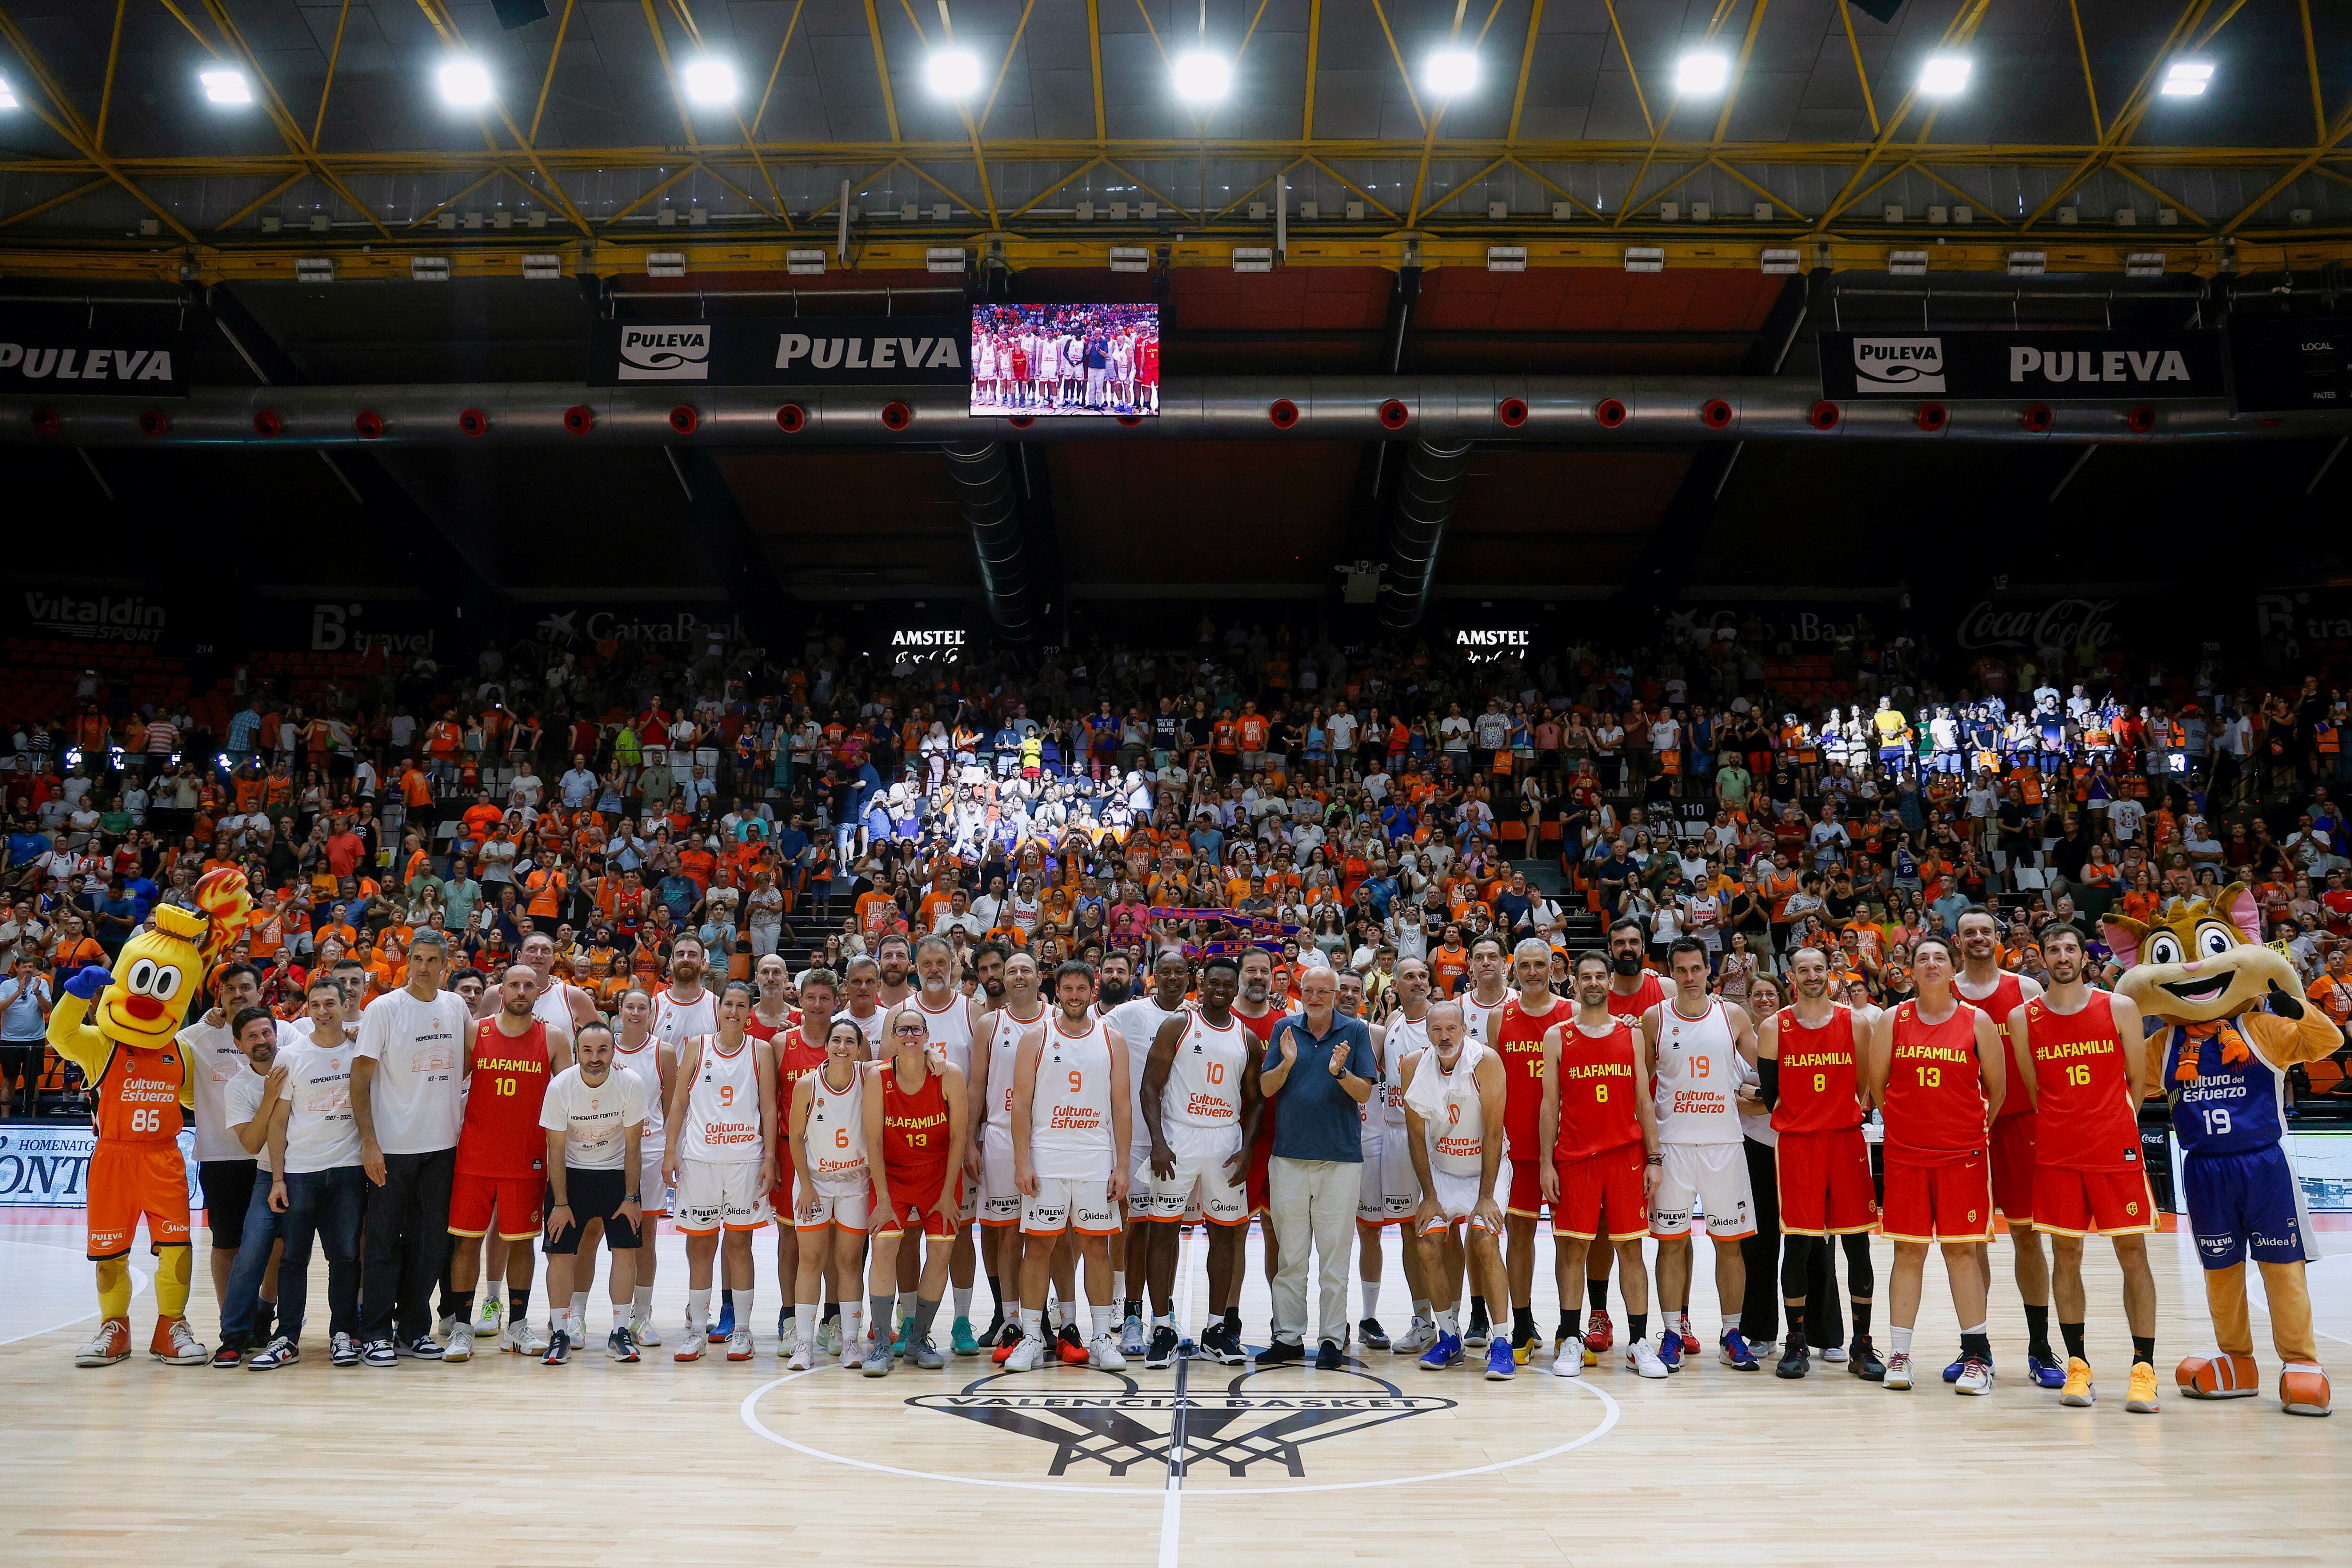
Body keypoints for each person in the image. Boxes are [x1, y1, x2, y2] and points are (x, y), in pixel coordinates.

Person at [2004, 922, 2159, 1413]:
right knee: (2065, 1254)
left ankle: (2143, 1370)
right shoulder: (2022, 1017)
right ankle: (2077, 1366)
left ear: (2083, 956)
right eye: (2053, 949)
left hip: (2114, 1150)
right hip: (2057, 1153)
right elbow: (2034, 1088)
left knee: (2132, 1252)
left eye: (2070, 948)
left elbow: (2138, 1081)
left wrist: (2111, 1123)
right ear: (2041, 958)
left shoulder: (2119, 1006)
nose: (2062, 956)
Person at [1867, 932, 2005, 1393]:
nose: (1930, 964)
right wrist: (1908, 1125)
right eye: (1922, 958)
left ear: (1952, 968)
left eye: (1939, 958)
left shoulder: (1976, 1020)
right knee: (1907, 1252)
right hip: (1906, 1155)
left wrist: (1966, 1130)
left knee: (1961, 1252)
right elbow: (1878, 1085)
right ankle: (1900, 1354)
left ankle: (1976, 1355)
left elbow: (1998, 1089)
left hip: (1962, 1156)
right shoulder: (1892, 1019)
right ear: (1910, 970)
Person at [1541, 951, 1670, 1379]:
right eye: (1586, 977)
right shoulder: (1557, 1036)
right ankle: (1571, 1339)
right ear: (1574, 984)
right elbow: (1549, 1105)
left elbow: (1644, 1100)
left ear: (1610, 982)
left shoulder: (1631, 1035)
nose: (1594, 982)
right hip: (1575, 1158)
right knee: (1572, 1250)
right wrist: (1546, 1163)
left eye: (1600, 976)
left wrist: (1654, 1158)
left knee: (1631, 1249)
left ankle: (1638, 1343)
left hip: (1625, 1158)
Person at [1757, 945, 1884, 1380]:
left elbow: (1864, 1086)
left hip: (1846, 1142)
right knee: (1798, 1245)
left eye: (1818, 968)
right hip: (1798, 1145)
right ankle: (1795, 1341)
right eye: (1803, 969)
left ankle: (1862, 1344)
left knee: (1857, 1245)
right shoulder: (1774, 1026)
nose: (1811, 975)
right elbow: (1771, 1094)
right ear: (1791, 976)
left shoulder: (1856, 1022)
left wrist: (1836, 1112)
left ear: (1829, 973)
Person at [349, 929, 470, 1367]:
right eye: (416, 958)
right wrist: (369, 1141)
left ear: (445, 965)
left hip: (443, 1145)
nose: (423, 967)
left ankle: (413, 1329)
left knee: (432, 1244)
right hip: (393, 1147)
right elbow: (359, 1077)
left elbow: (470, 1059)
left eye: (432, 960)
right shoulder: (384, 1008)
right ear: (407, 962)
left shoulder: (456, 1006)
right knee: (382, 1241)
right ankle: (376, 1332)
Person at [1004, 959, 1131, 1371]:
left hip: (1095, 1158)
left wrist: (1122, 1164)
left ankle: (1101, 1337)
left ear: (1093, 992)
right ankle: (1030, 1337)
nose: (1075, 996)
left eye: (1082, 989)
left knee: (1097, 1247)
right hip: (1047, 1157)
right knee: (1039, 1246)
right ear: (1056, 992)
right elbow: (1020, 1104)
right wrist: (1022, 1160)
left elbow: (1122, 1106)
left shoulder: (1113, 1039)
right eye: (1068, 988)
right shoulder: (1035, 1037)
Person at [1136, 953, 1263, 1367]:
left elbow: (1256, 1101)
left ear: (1236, 989)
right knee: (1163, 1231)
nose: (1220, 989)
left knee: (1225, 1235)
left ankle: (1216, 1330)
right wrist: (1158, 1141)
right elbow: (1150, 1087)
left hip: (1225, 1139)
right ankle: (1162, 1327)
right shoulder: (1178, 1025)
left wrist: (1247, 1149)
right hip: (1179, 1136)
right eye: (1214, 983)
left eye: (1228, 984)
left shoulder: (1247, 1039)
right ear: (1202, 984)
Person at [1641, 937, 1762, 1369]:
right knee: (1671, 1245)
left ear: (1710, 969)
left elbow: (1769, 1072)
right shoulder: (1655, 1018)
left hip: (1724, 1146)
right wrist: (1651, 1152)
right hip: (1673, 1149)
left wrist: (1755, 1095)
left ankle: (1732, 1334)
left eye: (1696, 968)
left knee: (1730, 1247)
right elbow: (1639, 1089)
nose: (1690, 977)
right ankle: (1672, 1332)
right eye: (1681, 970)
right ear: (1670, 972)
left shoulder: (1733, 1015)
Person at [1954, 905, 2057, 1387]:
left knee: (2027, 1235)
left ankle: (2041, 1347)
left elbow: (2047, 1057)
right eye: (1969, 932)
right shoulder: (1943, 992)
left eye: (1985, 931)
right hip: (1965, 1130)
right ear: (1957, 942)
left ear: (1998, 938)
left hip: (2019, 1124)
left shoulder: (2028, 989)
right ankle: (1975, 1348)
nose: (1978, 938)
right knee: (1969, 1242)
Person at [443, 963, 568, 1362]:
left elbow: (572, 1092)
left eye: (529, 985)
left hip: (526, 1159)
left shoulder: (552, 1037)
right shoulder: (475, 1031)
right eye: (514, 984)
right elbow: (445, 1085)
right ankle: (461, 1328)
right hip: (475, 1157)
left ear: (538, 992)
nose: (521, 991)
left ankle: (516, 1327)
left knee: (522, 1244)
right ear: (502, 990)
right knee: (467, 1242)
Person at [1256, 962, 1377, 1369]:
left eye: (1324, 991)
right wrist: (1287, 1063)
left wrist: (1339, 1072)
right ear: (1301, 991)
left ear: (1336, 994)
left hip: (1340, 1160)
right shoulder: (1285, 1029)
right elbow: (1266, 1087)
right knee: (1290, 1256)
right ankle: (1288, 1337)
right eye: (1309, 990)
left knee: (1334, 1258)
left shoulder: (1355, 1031)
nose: (1315, 997)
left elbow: (1364, 1093)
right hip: (1288, 1159)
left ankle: (1331, 1339)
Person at [250, 978, 368, 1369]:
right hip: (301, 1172)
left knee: (346, 1256)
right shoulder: (291, 1055)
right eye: (315, 1004)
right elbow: (278, 1121)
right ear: (308, 1009)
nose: (322, 1011)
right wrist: (278, 1178)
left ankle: (343, 1332)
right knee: (293, 1258)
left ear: (345, 1004)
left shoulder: (360, 1050)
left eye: (330, 1003)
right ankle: (286, 1337)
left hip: (349, 1169)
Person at [177, 960, 298, 1330]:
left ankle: (265, 1307)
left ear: (259, 992)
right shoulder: (197, 1036)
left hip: (274, 1159)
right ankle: (231, 1320)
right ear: (220, 995)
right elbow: (163, 1047)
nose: (237, 994)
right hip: (221, 1156)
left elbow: (323, 1045)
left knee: (278, 1242)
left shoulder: (283, 1033)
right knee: (226, 1244)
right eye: (229, 989)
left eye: (245, 987)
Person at [662, 981, 778, 1361]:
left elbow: (769, 1108)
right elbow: (679, 1103)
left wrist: (770, 1157)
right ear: (720, 1008)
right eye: (729, 1003)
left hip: (745, 1161)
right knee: (701, 1247)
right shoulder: (698, 1046)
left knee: (740, 1246)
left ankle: (743, 1330)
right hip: (700, 1160)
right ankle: (697, 1329)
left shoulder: (761, 1050)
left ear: (749, 1012)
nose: (734, 1011)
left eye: (741, 1005)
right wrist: (670, 1152)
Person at [1397, 1002, 1514, 1376]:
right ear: (1427, 1033)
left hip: (1486, 1170)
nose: (1444, 1036)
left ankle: (1502, 1341)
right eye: (1437, 1030)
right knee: (1426, 1243)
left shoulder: (1486, 1062)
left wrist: (1486, 1196)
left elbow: (1494, 1132)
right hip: (1443, 1171)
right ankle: (1449, 1336)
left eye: (1452, 1028)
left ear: (1465, 1029)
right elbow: (1416, 1137)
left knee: (1485, 1240)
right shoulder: (1413, 1064)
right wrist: (1430, 1196)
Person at [858, 1004, 972, 1374]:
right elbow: (874, 1141)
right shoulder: (878, 1077)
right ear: (892, 1037)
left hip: (938, 1175)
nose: (909, 1036)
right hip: (893, 1175)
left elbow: (958, 1139)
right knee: (884, 1245)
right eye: (902, 1030)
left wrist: (948, 1193)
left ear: (927, 1036)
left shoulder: (949, 1074)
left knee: (941, 1251)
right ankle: (881, 1344)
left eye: (916, 1030)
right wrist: (883, 1199)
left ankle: (919, 1340)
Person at [537, 1018, 648, 1365]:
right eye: (587, 1050)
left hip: (616, 1175)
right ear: (577, 1052)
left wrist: (631, 1198)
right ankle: (560, 1333)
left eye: (602, 1050)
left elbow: (634, 1147)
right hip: (571, 1176)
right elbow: (555, 1149)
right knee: (560, 1255)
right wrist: (560, 1203)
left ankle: (620, 1332)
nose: (595, 1057)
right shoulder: (560, 1087)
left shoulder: (631, 1083)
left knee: (626, 1252)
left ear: (614, 1051)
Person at [904, 933, 987, 1357]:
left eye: (941, 962)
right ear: (916, 967)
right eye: (927, 963)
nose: (934, 969)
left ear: (954, 965)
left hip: (955, 1143)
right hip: (910, 1144)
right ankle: (908, 1320)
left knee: (959, 1231)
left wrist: (970, 1139)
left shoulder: (972, 1011)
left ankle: (961, 1320)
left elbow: (978, 1083)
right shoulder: (902, 1012)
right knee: (907, 1234)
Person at [1489, 936, 1571, 1364]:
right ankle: (1522, 1324)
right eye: (1526, 965)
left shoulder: (1572, 1012)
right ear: (1514, 969)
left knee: (1569, 1241)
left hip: (1566, 1146)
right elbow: (1492, 1084)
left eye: (1541, 964)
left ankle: (1569, 1327)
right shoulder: (1500, 1017)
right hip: (1517, 1146)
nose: (1534, 972)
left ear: (1552, 966)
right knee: (1519, 1237)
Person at [1108, 949, 1192, 1356]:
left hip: (1182, 1141)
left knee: (1168, 1230)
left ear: (1189, 977)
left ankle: (1165, 1312)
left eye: (1180, 972)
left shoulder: (1197, 1018)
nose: (1173, 978)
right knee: (1138, 1228)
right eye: (1166, 972)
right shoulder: (1128, 1014)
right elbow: (1083, 1034)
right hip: (1140, 1139)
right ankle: (1132, 1316)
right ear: (1153, 976)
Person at [786, 1017, 879, 1370]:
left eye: (849, 1041)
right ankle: (804, 1343)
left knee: (849, 1261)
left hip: (855, 1182)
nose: (842, 1047)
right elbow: (796, 1138)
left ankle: (851, 1340)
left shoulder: (870, 1078)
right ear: (826, 1046)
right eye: (836, 1040)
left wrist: (932, 1055)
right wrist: (806, 1186)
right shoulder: (807, 1085)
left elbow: (904, 1059)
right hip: (815, 1182)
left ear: (860, 1048)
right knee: (810, 1259)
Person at [212, 1006, 290, 1365]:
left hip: (311, 1169)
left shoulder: (297, 1063)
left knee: (326, 1254)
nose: (262, 1041)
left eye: (266, 1033)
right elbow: (252, 1143)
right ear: (238, 1044)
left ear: (277, 1034)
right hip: (267, 1173)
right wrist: (270, 1095)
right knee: (250, 1255)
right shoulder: (238, 1086)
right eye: (253, 1036)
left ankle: (296, 1330)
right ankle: (233, 1338)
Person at [1371, 956, 1439, 1355]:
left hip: (1434, 1136)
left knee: (1442, 1232)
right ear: (1394, 984)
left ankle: (1454, 1317)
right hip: (1396, 1133)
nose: (1418, 981)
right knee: (1409, 1233)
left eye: (1423, 976)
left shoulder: (1441, 1022)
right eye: (1410, 976)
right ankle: (1423, 1321)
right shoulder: (1394, 1020)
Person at [608, 986, 670, 1346]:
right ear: (619, 1009)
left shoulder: (664, 1051)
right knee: (592, 1234)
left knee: (646, 1237)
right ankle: (576, 1315)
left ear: (651, 1012)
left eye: (641, 1007)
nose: (635, 1012)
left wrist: (671, 1153)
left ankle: (642, 1315)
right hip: (605, 1152)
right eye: (629, 1006)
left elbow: (673, 1106)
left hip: (650, 1150)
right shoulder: (602, 1047)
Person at [0, 954, 49, 1119]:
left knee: (32, 1079)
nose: (28, 970)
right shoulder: (6, 985)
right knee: (9, 1079)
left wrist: (37, 993)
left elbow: (47, 1009)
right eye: (24, 967)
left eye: (31, 967)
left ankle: (32, 1118)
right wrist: (19, 991)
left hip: (35, 1039)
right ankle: (5, 1119)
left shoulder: (41, 983)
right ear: (16, 968)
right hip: (10, 1039)